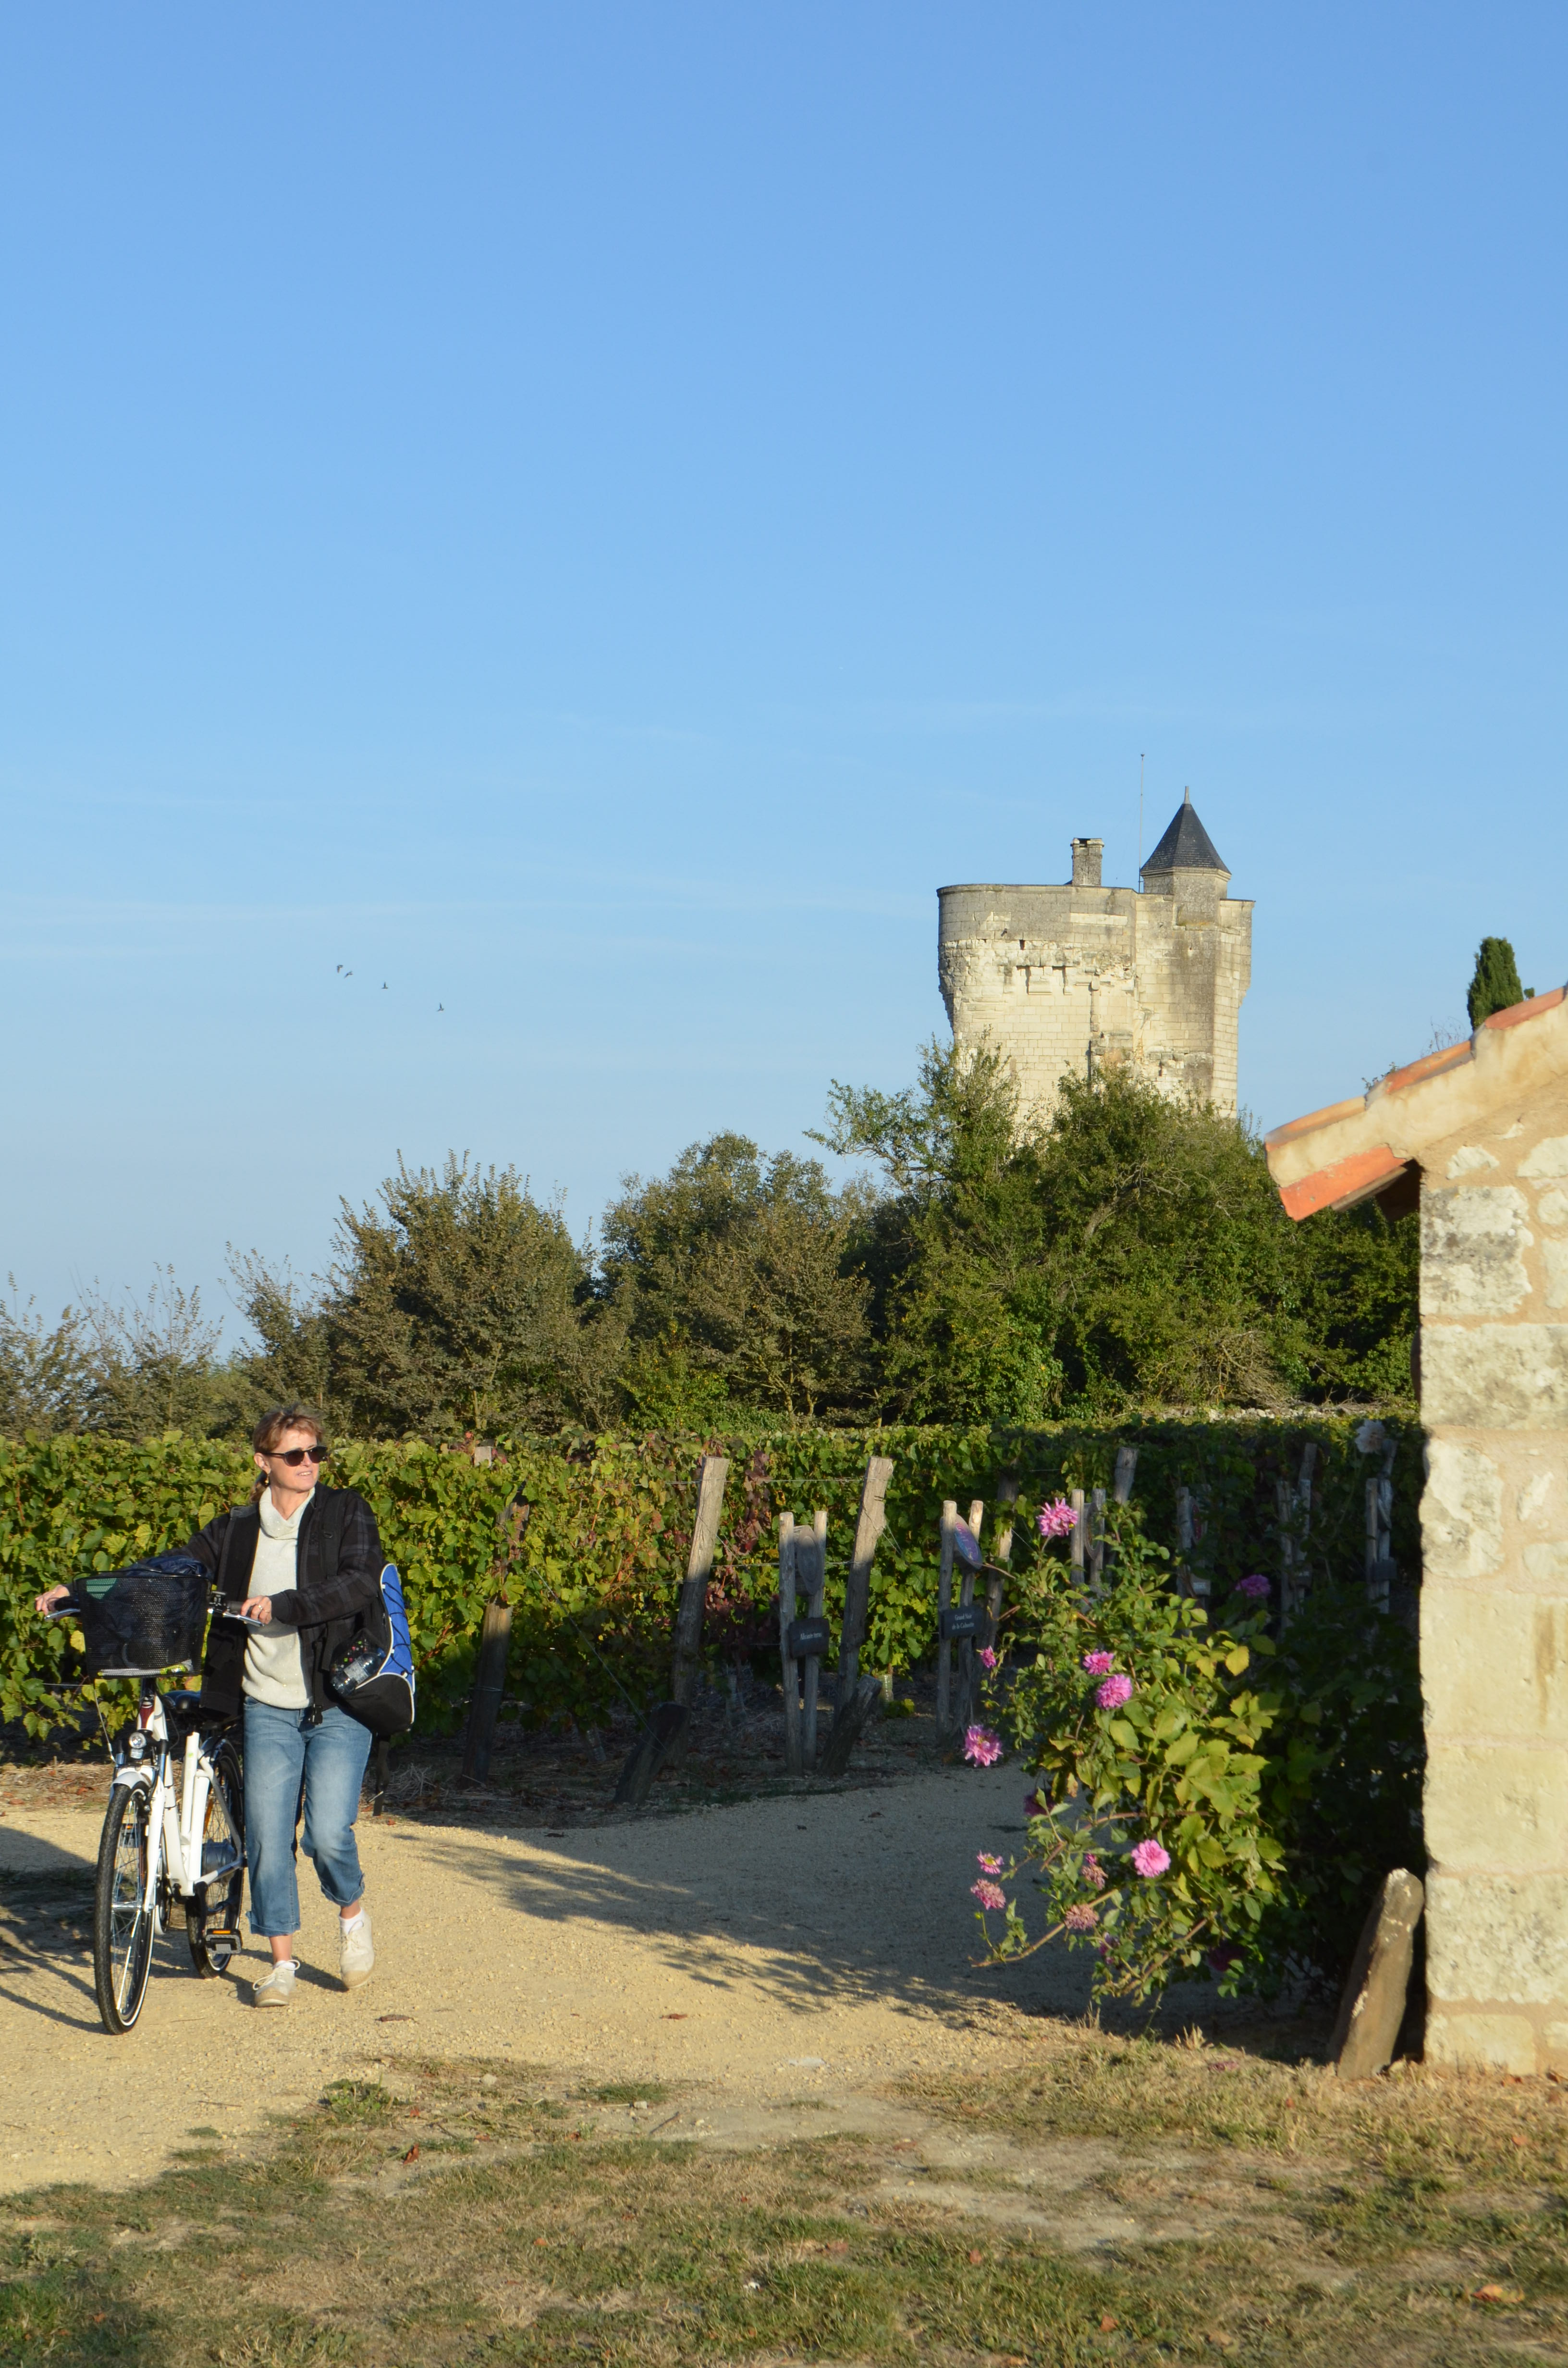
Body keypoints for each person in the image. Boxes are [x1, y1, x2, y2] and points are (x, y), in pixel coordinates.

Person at [38, 1403, 384, 2008]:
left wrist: (285, 1604)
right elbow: (173, 1567)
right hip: (265, 1703)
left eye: (316, 1454)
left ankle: (352, 1914)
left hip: (336, 1699)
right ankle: (281, 1963)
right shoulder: (236, 1528)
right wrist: (82, 1588)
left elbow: (361, 1580)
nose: (309, 1465)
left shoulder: (344, 1512)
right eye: (294, 1455)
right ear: (263, 1461)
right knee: (269, 1839)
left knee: (328, 1834)